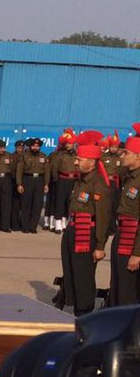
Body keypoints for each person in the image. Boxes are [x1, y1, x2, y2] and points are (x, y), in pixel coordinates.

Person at [58, 131, 112, 316]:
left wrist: (100, 246)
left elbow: (103, 218)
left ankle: (85, 312)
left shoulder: (98, 185)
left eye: (79, 159)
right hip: (73, 231)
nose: (75, 162)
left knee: (84, 276)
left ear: (91, 161)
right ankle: (76, 307)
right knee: (71, 272)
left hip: (86, 235)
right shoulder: (80, 181)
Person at [107, 126, 140, 306]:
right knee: (118, 283)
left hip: (133, 240)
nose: (122, 156)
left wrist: (137, 253)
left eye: (126, 153)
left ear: (138, 156)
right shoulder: (130, 176)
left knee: (128, 289)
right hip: (122, 233)